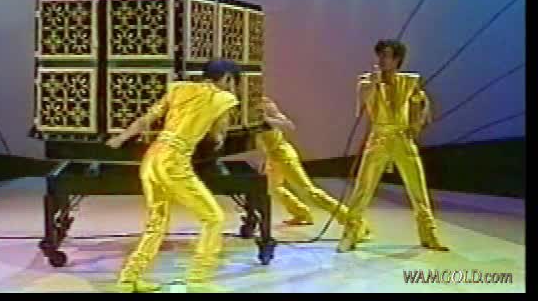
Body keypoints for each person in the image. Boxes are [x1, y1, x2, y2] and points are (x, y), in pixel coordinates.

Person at [106, 59, 240, 293]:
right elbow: (218, 137)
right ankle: (198, 281)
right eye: (233, 82)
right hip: (174, 161)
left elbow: (147, 118)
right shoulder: (223, 99)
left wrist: (120, 138)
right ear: (227, 78)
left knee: (156, 223)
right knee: (213, 218)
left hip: (152, 158)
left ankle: (128, 279)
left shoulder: (178, 88)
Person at [337, 39, 449, 253]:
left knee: (418, 188)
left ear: (397, 59)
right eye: (380, 55)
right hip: (378, 138)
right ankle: (350, 233)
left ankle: (429, 234)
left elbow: (422, 104)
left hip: (402, 138)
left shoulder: (409, 81)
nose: (382, 59)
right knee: (363, 187)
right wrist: (375, 82)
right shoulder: (368, 81)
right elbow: (362, 104)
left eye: (387, 55)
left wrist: (416, 124)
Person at [257, 97, 370, 237]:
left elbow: (289, 125)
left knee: (310, 191)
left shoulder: (264, 104)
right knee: (273, 188)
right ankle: (301, 213)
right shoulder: (244, 111)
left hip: (284, 155)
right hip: (272, 156)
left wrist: (267, 120)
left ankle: (353, 221)